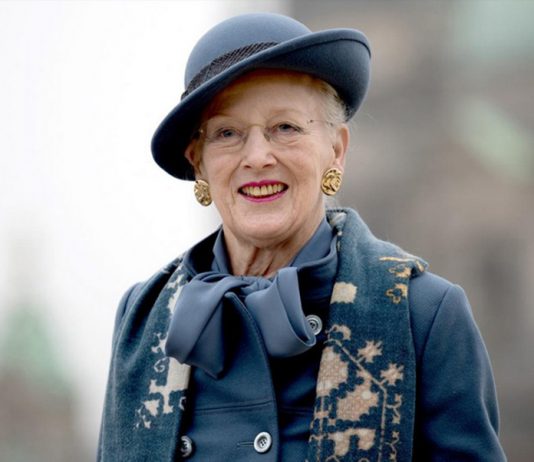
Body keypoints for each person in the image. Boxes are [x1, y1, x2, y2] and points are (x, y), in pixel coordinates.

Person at [98, 12, 506, 462]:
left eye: (285, 128)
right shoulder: (142, 319)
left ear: (336, 150)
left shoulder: (424, 313)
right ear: (198, 161)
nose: (257, 157)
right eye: (227, 132)